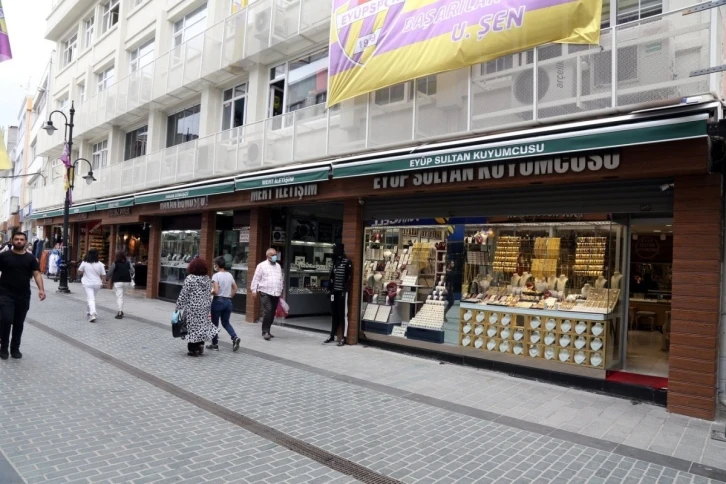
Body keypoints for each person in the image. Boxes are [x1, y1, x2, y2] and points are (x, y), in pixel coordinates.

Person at [0, 231, 46, 360]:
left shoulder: (30, 258)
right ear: (11, 241)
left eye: (21, 239)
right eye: (16, 239)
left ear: (25, 242)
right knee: (6, 320)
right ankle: (3, 348)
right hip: (5, 294)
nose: (19, 241)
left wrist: (41, 289)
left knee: (19, 323)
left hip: (23, 295)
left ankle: (15, 348)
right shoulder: (4, 256)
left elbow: (36, 274)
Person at [176, 257, 217, 356]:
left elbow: (183, 294)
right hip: (204, 307)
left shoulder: (190, 279)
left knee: (192, 328)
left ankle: (193, 349)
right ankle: (200, 345)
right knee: (201, 327)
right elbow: (209, 293)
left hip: (192, 307)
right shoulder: (207, 279)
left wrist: (178, 307)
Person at [207, 256, 241, 352]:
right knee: (225, 322)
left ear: (217, 265)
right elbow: (235, 288)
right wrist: (230, 296)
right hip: (228, 302)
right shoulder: (229, 275)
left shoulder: (216, 276)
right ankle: (234, 337)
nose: (214, 266)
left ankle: (215, 344)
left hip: (218, 301)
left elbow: (216, 291)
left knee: (214, 323)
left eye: (214, 264)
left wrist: (210, 292)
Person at [250, 248, 283, 341]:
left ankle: (268, 329)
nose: (275, 256)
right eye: (272, 255)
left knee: (272, 312)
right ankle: (265, 331)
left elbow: (280, 279)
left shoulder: (278, 266)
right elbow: (256, 278)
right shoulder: (261, 266)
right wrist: (253, 290)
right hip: (265, 292)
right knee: (268, 310)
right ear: (267, 256)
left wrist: (281, 290)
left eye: (275, 254)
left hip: (276, 292)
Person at [325, 243, 352, 346]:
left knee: (343, 315)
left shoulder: (347, 262)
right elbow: (331, 278)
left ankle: (344, 337)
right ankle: (332, 334)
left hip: (342, 293)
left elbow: (348, 279)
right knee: (334, 314)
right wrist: (329, 290)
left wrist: (344, 292)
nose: (333, 252)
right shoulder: (335, 263)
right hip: (334, 292)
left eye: (334, 250)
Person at [78, 249, 106, 323]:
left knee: (91, 299)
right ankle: (89, 312)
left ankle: (93, 314)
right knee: (91, 298)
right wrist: (104, 283)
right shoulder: (100, 264)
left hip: (87, 283)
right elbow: (103, 275)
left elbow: (79, 272)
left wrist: (83, 271)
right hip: (97, 284)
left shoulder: (84, 263)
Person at [108, 250, 135, 319]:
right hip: (126, 281)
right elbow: (132, 271)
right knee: (122, 296)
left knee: (119, 297)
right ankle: (121, 310)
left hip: (118, 282)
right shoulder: (128, 263)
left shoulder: (115, 263)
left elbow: (110, 272)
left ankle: (119, 312)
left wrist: (106, 278)